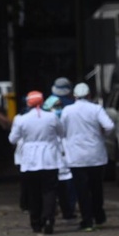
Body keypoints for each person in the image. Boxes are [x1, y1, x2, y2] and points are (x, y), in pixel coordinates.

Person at [60, 82, 115, 231]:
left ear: (74, 96)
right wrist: (102, 134)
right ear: (89, 95)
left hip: (76, 156)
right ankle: (98, 216)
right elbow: (109, 126)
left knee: (82, 190)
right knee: (96, 188)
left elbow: (61, 130)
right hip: (96, 155)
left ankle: (87, 220)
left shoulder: (67, 110)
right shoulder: (96, 109)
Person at [8, 91, 64, 234]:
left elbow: (12, 139)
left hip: (30, 161)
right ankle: (49, 218)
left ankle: (36, 222)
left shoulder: (22, 119)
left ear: (28, 103)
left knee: (33, 193)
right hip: (49, 159)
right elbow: (61, 132)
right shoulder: (51, 117)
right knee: (49, 191)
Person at [42, 94, 77, 222]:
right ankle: (51, 212)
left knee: (67, 190)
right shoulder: (47, 120)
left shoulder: (64, 118)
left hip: (64, 160)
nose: (59, 109)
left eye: (60, 106)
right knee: (52, 191)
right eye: (56, 106)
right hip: (51, 160)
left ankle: (68, 211)